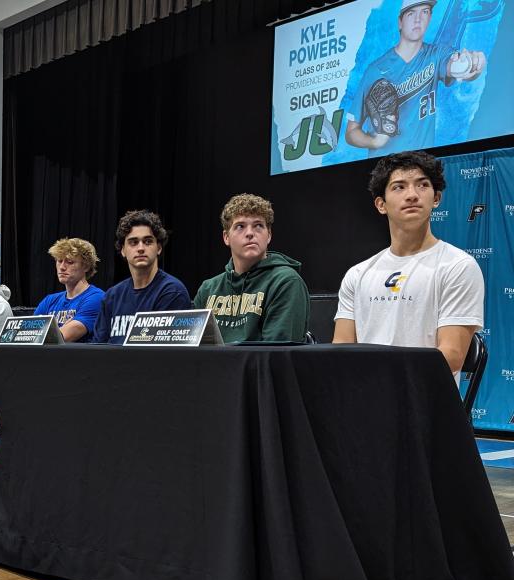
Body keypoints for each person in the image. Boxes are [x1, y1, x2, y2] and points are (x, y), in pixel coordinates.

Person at [333, 151, 483, 378]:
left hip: (425, 403)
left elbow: (451, 356)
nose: (412, 195)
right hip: (365, 398)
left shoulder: (458, 266)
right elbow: (340, 350)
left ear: (436, 198)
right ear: (381, 204)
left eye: (422, 185)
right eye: (399, 187)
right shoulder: (358, 274)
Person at [344, 0, 487, 155]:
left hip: (423, 162)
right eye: (411, 13)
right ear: (400, 21)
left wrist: (472, 64)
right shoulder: (375, 70)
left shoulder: (436, 55)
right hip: (386, 166)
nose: (418, 19)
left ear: (430, 17)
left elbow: (458, 66)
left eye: (424, 11)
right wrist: (374, 141)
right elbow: (351, 132)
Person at [192, 194, 309, 343]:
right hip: (213, 366)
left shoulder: (286, 282)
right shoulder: (208, 289)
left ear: (269, 236)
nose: (249, 233)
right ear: (226, 237)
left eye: (258, 225)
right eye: (240, 226)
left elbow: (277, 356)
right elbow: (193, 351)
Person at [93, 210, 191, 344]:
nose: (140, 248)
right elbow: (98, 348)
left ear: (159, 248)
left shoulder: (172, 292)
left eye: (148, 241)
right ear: (123, 250)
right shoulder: (112, 296)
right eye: (133, 242)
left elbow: (163, 354)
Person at [33, 237, 104, 343]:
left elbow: (60, 338)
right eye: (59, 261)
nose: (62, 267)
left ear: (86, 267)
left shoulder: (96, 298)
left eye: (70, 262)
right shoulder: (49, 300)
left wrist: (51, 332)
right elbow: (29, 335)